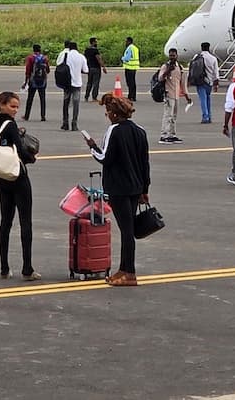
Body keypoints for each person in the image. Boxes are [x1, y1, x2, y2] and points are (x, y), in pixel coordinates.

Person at [85, 93, 151, 287]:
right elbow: (145, 163)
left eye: (108, 113)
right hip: (135, 187)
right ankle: (123, 269)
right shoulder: (140, 130)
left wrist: (92, 146)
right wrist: (145, 189)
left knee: (126, 231)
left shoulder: (114, 130)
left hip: (118, 188)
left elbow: (104, 158)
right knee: (127, 230)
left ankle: (129, 273)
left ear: (114, 114)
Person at [0, 91, 40, 280]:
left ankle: (4, 267)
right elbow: (21, 151)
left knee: (5, 222)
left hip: (2, 176)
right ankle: (27, 269)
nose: (15, 110)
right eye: (12, 106)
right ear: (2, 104)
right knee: (25, 222)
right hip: (18, 177)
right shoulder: (10, 124)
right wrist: (32, 157)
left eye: (17, 107)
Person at [155, 47, 191, 144]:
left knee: (174, 116)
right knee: (168, 115)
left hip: (176, 95)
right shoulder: (165, 66)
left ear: (177, 56)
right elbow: (160, 78)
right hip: (168, 94)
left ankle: (172, 134)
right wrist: (168, 71)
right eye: (170, 55)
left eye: (173, 55)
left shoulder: (180, 67)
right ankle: (164, 135)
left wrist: (187, 96)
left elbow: (183, 83)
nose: (172, 57)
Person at [56, 40, 88, 132]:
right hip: (77, 83)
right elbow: (86, 70)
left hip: (67, 82)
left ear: (69, 48)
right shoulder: (81, 57)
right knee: (76, 103)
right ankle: (74, 124)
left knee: (66, 102)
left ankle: (65, 122)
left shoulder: (65, 55)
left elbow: (59, 65)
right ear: (77, 48)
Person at [188, 42, 220, 124]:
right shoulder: (213, 58)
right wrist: (216, 84)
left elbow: (192, 68)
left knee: (203, 99)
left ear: (201, 48)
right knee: (208, 98)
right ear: (209, 48)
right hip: (209, 82)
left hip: (200, 81)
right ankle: (209, 116)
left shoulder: (197, 57)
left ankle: (205, 116)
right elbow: (216, 73)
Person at [22, 44, 49, 123]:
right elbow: (48, 70)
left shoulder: (30, 58)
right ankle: (43, 116)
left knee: (30, 98)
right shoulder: (45, 58)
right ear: (40, 50)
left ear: (33, 50)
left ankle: (27, 116)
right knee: (42, 98)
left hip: (33, 81)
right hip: (42, 81)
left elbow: (28, 71)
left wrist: (26, 82)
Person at [84, 37, 107, 102]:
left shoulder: (87, 50)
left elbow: (84, 58)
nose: (97, 43)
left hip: (89, 68)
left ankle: (86, 96)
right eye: (96, 42)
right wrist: (103, 67)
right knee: (96, 83)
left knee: (89, 83)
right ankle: (94, 97)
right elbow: (99, 59)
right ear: (93, 42)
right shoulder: (95, 50)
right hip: (96, 68)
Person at [121, 36, 139, 101]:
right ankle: (133, 96)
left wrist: (122, 58)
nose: (125, 43)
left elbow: (127, 58)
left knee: (129, 83)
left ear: (129, 41)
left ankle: (130, 96)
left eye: (126, 41)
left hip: (129, 67)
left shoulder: (129, 48)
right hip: (134, 67)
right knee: (133, 82)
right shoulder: (135, 48)